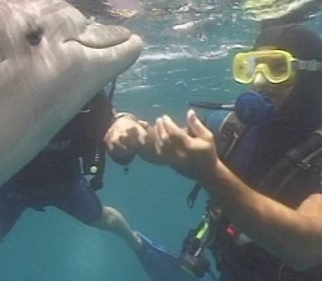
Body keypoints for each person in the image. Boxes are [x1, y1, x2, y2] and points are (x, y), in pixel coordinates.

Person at [107, 24, 322, 280]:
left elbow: (306, 250)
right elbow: (167, 145)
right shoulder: (230, 128)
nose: (260, 81)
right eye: (252, 67)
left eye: (277, 68)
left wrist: (210, 173)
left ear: (312, 75)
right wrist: (130, 128)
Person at [0, 89, 171, 281]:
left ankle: (138, 244)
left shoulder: (87, 99)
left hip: (63, 183)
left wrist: (125, 125)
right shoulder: (10, 99)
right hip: (15, 185)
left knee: (102, 218)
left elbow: (114, 123)